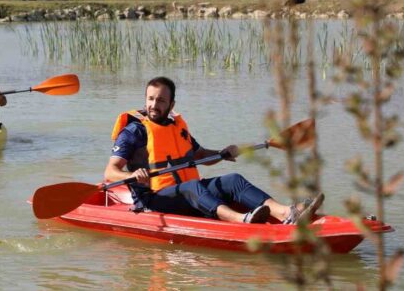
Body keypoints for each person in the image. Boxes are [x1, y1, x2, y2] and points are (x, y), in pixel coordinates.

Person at [104, 76, 324, 224]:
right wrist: (132, 175)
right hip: (153, 199)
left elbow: (200, 156)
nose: (154, 105)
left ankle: (287, 213)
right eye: (150, 99)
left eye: (161, 100)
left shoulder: (176, 127)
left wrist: (222, 154)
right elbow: (110, 172)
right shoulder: (134, 131)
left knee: (232, 179)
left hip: (183, 194)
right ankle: (241, 220)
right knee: (192, 188)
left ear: (171, 104)